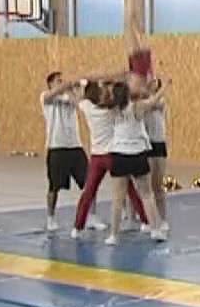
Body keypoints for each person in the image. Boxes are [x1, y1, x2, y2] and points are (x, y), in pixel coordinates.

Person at [72, 79, 149, 238]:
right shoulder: (112, 109)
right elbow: (126, 97)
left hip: (96, 156)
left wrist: (80, 84)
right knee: (130, 189)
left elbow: (77, 97)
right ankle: (145, 221)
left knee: (89, 192)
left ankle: (77, 227)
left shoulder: (87, 107)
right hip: (112, 154)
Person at [104, 81, 167, 245]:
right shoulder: (136, 108)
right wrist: (165, 86)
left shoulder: (112, 111)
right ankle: (155, 230)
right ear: (127, 94)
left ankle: (113, 235)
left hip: (119, 155)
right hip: (137, 154)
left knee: (117, 198)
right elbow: (153, 101)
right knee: (147, 194)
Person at [40, 72, 89, 232]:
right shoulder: (46, 97)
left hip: (75, 145)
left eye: (62, 80)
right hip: (57, 147)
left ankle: (92, 216)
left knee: (88, 183)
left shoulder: (69, 97)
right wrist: (67, 85)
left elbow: (79, 103)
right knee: (54, 186)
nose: (62, 83)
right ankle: (50, 217)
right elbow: (51, 96)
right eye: (58, 81)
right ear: (51, 84)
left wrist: (77, 87)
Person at [143, 78, 171, 234]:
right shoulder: (140, 101)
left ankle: (163, 218)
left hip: (158, 143)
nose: (151, 82)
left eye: (154, 80)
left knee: (158, 186)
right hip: (145, 144)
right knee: (145, 187)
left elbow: (155, 103)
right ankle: (146, 218)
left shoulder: (160, 100)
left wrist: (164, 88)